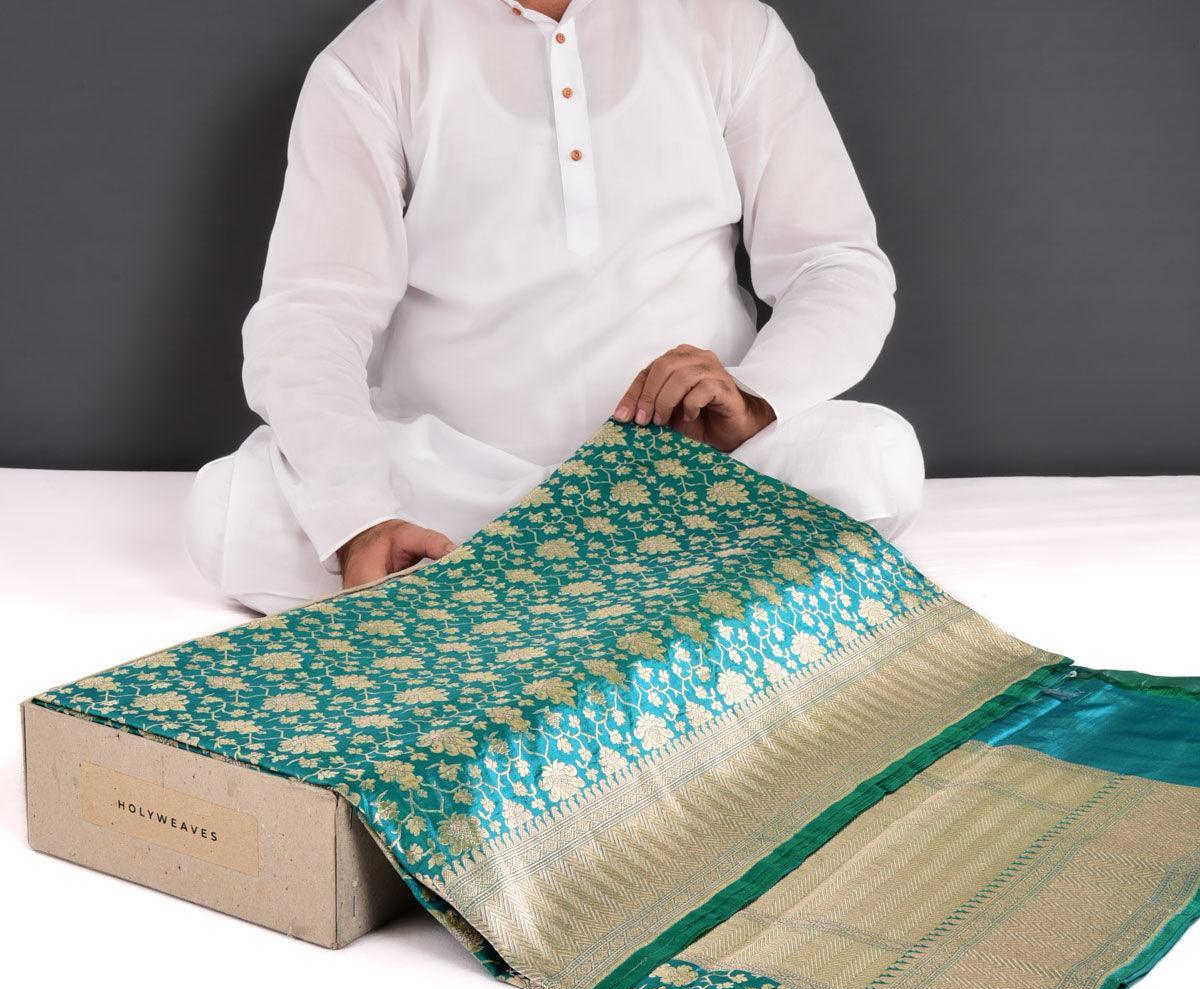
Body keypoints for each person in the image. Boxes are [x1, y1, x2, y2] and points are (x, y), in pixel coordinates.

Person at [186, 0, 924, 614]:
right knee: (229, 508)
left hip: (688, 474)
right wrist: (360, 519)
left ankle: (488, 597)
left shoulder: (728, 24)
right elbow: (312, 313)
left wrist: (757, 398)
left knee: (873, 459)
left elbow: (836, 263)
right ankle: (639, 586)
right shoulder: (378, 53)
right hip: (456, 482)